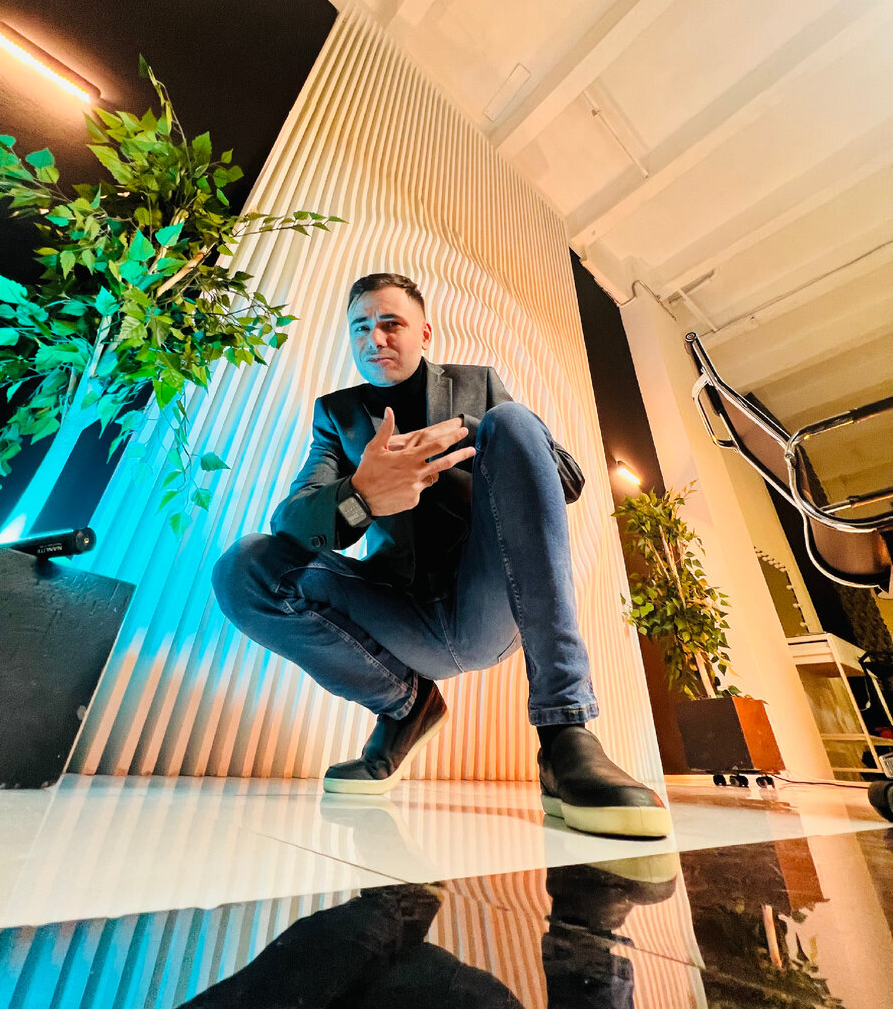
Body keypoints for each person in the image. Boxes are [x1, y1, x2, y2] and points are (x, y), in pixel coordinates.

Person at [212, 272, 670, 838]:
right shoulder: (337, 415)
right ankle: (407, 706)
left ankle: (564, 732)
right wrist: (360, 496)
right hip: (396, 611)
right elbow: (290, 521)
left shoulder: (478, 385)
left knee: (513, 420)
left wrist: (469, 434)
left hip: (486, 600)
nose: (375, 339)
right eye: (360, 328)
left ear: (424, 332)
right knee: (246, 565)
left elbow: (568, 482)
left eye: (390, 323)